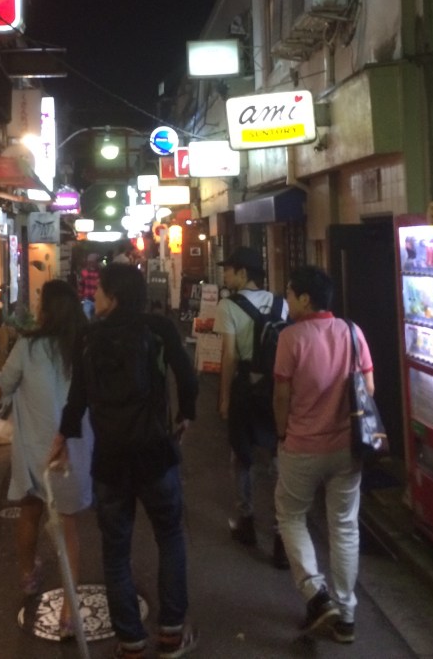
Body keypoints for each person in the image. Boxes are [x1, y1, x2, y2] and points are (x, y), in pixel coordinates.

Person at [49, 263, 199, 659]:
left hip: (110, 461)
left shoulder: (88, 338)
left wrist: (62, 436)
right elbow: (189, 377)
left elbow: (77, 397)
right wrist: (186, 413)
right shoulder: (158, 329)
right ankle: (171, 633)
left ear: (113, 298)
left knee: (115, 550)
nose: (93, 297)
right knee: (169, 537)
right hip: (155, 455)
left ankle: (130, 641)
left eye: (98, 292)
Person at [273, 265, 374, 644]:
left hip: (302, 447)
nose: (286, 300)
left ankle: (316, 596)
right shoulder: (352, 332)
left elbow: (281, 395)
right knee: (345, 526)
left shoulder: (291, 338)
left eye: (288, 294)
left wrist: (282, 433)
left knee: (291, 514)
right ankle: (346, 617)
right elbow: (368, 386)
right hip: (348, 448)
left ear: (304, 298)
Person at [0, 279, 93, 638]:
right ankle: (69, 613)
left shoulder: (27, 347)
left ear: (48, 310)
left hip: (35, 445)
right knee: (68, 526)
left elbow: (4, 384)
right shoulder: (82, 347)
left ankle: (27, 574)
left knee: (30, 510)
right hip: (68, 447)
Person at [213, 246, 288, 564]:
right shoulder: (281, 304)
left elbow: (229, 356)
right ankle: (283, 532)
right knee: (277, 457)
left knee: (242, 456)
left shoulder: (227, 306)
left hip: (245, 388)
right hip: (275, 387)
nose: (225, 275)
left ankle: (246, 521)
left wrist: (224, 397)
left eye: (229, 269)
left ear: (244, 274)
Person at [78, 251, 101, 319]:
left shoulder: (100, 272)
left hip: (98, 299)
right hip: (88, 298)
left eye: (92, 262)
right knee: (86, 315)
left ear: (96, 262)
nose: (91, 263)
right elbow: (81, 284)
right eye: (89, 262)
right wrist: (80, 296)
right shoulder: (84, 272)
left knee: (99, 317)